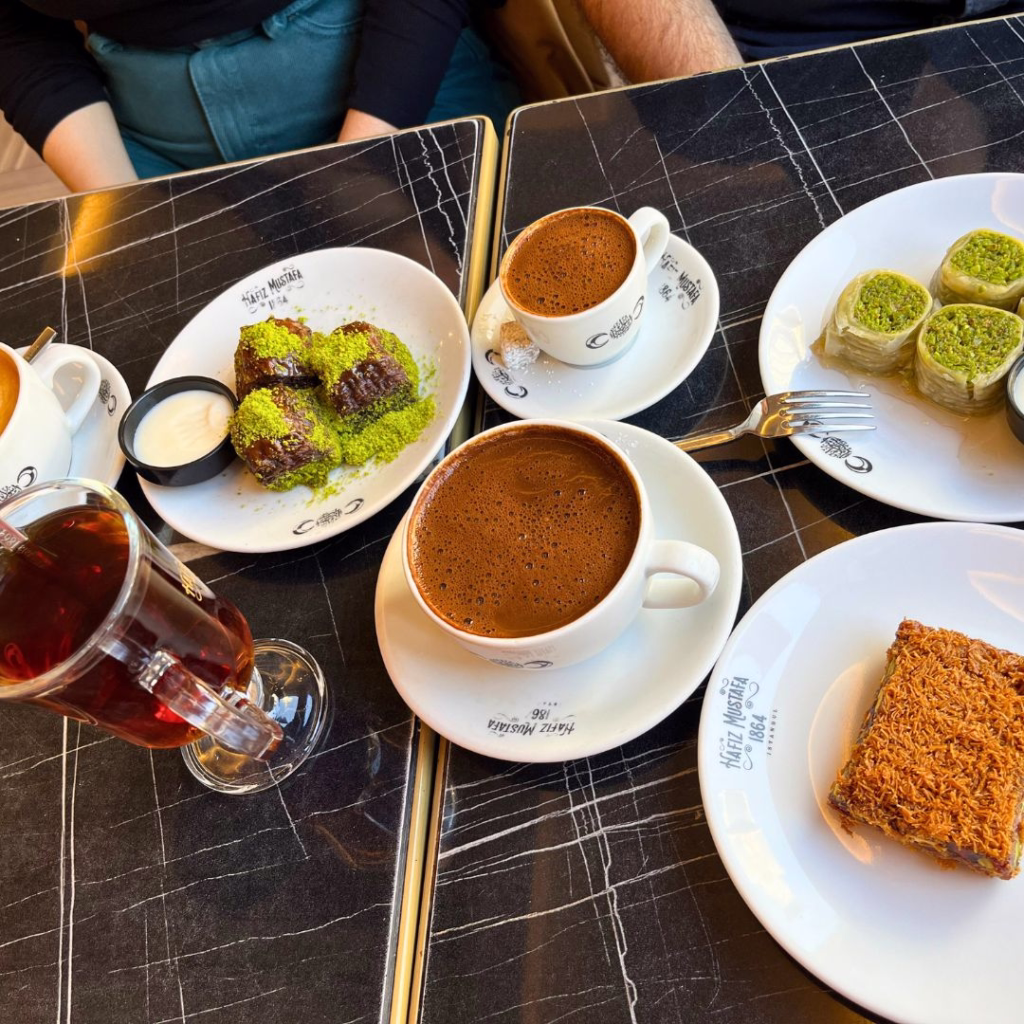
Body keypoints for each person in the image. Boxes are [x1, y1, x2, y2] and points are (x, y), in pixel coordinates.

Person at [0, 0, 520, 193]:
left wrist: (363, 158)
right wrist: (123, 208)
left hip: (389, 69)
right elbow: (14, 32)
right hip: (139, 120)